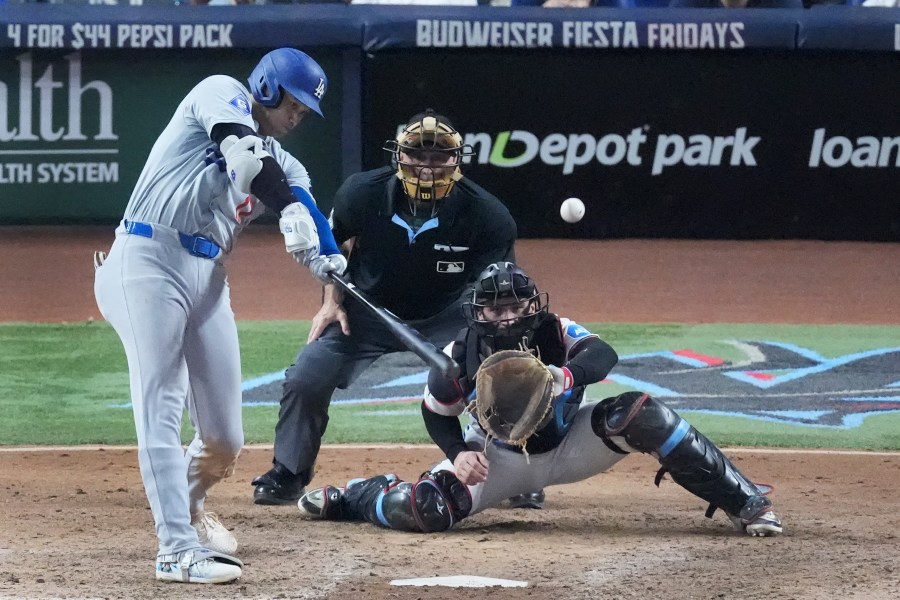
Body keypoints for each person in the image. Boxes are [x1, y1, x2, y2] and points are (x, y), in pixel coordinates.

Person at [94, 48, 346, 584]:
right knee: (160, 401)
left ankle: (187, 509)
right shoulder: (220, 92)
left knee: (224, 438)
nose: (299, 116)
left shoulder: (287, 163)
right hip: (146, 258)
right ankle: (176, 550)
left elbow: (300, 197)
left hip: (207, 278)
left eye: (307, 110)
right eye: (295, 103)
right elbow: (246, 157)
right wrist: (292, 211)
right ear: (269, 88)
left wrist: (328, 256)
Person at [295, 262, 784, 538]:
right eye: (494, 307)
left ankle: (747, 504)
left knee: (642, 412)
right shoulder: (457, 356)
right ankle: (356, 495)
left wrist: (567, 374)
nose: (505, 316)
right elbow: (435, 413)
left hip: (572, 447)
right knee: (421, 510)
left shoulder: (556, 331)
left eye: (514, 306)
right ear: (477, 311)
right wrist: (458, 453)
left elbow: (604, 354)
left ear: (533, 306)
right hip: (497, 460)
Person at [250, 109, 518, 507]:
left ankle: (516, 472)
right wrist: (330, 304)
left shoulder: (487, 214)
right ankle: (288, 473)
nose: (427, 166)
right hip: (367, 310)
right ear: (399, 155)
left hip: (447, 316)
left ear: (457, 160)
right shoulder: (361, 193)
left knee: (499, 374)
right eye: (417, 155)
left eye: (439, 156)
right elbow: (332, 249)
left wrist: (484, 341)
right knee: (308, 375)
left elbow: (494, 288)